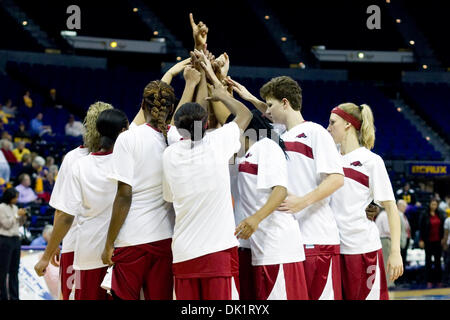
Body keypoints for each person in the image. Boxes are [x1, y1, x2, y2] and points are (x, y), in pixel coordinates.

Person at [227, 76, 344, 300]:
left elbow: (337, 178)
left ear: (284, 102)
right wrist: (248, 97)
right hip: (290, 241)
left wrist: (302, 201)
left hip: (317, 237)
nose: (266, 110)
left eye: (270, 105)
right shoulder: (277, 136)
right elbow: (269, 115)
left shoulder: (315, 132)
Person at [162, 51, 252, 300]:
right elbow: (245, 116)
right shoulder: (218, 142)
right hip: (218, 251)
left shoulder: (170, 154)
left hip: (183, 253)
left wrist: (194, 80)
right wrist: (221, 91)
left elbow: (174, 127)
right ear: (207, 122)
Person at [35, 109, 129, 300]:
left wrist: (49, 251)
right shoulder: (127, 159)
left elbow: (63, 213)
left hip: (84, 248)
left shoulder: (76, 162)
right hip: (118, 249)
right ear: (122, 130)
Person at [100, 80, 179, 301]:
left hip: (131, 239)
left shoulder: (128, 137)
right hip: (166, 237)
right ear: (171, 109)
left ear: (142, 104)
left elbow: (124, 195)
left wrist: (108, 242)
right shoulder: (176, 137)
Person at [327, 102, 404, 299]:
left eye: (332, 122)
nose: (328, 128)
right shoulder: (328, 156)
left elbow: (391, 207)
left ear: (348, 125)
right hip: (332, 249)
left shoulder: (371, 161)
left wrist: (395, 251)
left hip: (362, 249)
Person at [233, 110, 308, 300]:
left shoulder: (266, 146)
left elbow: (280, 190)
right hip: (260, 247)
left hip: (278, 247)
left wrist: (255, 218)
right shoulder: (245, 156)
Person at [0, 188, 27, 300]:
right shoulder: (1, 207)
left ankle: (15, 297)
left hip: (16, 240)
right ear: (10, 197)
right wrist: (16, 215)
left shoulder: (15, 207)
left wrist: (23, 217)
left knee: (14, 270)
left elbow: (19, 224)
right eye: (15, 197)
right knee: (3, 271)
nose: (17, 199)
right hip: (5, 239)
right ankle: (3, 297)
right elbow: (6, 224)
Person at [418, 198, 446, 288]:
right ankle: (429, 280)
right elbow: (421, 228)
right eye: (432, 204)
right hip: (428, 241)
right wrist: (421, 240)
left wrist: (443, 239)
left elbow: (443, 228)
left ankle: (438, 280)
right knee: (428, 262)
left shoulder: (440, 214)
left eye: (435, 204)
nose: (434, 206)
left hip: (438, 241)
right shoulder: (424, 214)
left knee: (438, 262)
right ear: (429, 204)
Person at [397, 199, 411, 267]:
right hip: (401, 241)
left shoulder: (403, 215)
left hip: (406, 239)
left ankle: (403, 276)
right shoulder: (398, 215)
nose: (405, 208)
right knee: (401, 260)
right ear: (399, 206)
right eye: (404, 206)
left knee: (404, 259)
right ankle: (400, 277)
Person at [443, 215, 450, 285]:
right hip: (449, 244)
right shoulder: (448, 220)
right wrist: (445, 244)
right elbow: (446, 234)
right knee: (448, 262)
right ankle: (445, 280)